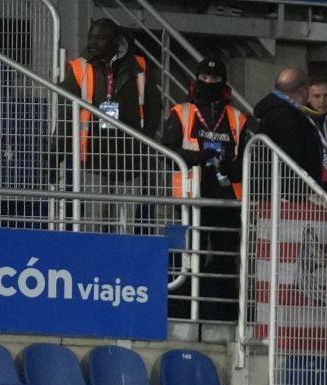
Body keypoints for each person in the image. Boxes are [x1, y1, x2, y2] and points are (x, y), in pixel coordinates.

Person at [160, 59, 245, 323]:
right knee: (188, 261)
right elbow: (167, 151)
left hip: (227, 200)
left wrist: (231, 167)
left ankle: (223, 318)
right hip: (190, 198)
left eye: (214, 79)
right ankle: (183, 316)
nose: (208, 83)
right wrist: (197, 157)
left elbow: (248, 157)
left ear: (223, 81)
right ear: (196, 79)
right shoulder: (181, 111)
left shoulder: (237, 117)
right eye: (204, 78)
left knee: (224, 263)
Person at [61, 22, 160, 226]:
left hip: (130, 158)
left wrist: (144, 143)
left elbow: (154, 107)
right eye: (91, 37)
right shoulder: (79, 67)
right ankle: (94, 258)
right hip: (93, 158)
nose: (93, 42)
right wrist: (56, 150)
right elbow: (65, 113)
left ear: (115, 41)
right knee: (94, 222)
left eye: (100, 37)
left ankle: (124, 258)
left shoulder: (139, 66)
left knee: (127, 224)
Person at [248, 67, 320, 181]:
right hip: (290, 191)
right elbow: (292, 157)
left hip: (276, 187)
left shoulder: (272, 112)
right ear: (302, 90)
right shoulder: (288, 117)